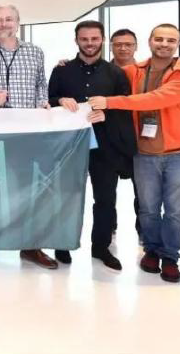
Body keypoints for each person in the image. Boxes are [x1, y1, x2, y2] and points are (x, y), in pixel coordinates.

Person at [89, 24, 180, 283]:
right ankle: (151, 250)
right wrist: (68, 65)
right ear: (150, 42)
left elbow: (157, 99)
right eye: (159, 39)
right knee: (148, 209)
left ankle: (170, 257)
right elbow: (103, 75)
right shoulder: (134, 71)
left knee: (175, 211)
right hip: (145, 153)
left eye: (170, 40)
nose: (164, 44)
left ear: (178, 44)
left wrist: (110, 102)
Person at [0, 5, 58, 270]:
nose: (4, 24)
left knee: (29, 189)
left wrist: (42, 102)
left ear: (18, 23)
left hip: (28, 133)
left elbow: (41, 84)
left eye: (9, 19)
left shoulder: (35, 52)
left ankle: (31, 247)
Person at [48, 20, 137, 269]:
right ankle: (62, 244)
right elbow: (48, 100)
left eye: (94, 39)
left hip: (105, 147)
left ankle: (101, 247)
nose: (89, 43)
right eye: (84, 39)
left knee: (105, 199)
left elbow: (125, 106)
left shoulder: (116, 73)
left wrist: (107, 114)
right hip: (68, 146)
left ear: (102, 40)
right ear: (76, 40)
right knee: (65, 197)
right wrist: (60, 100)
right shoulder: (61, 71)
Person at [109, 27, 141, 235]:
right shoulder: (101, 71)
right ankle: (109, 228)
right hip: (109, 139)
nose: (123, 48)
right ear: (111, 46)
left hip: (139, 138)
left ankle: (144, 231)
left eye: (128, 44)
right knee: (106, 193)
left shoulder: (147, 72)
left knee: (144, 192)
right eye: (118, 44)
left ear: (136, 47)